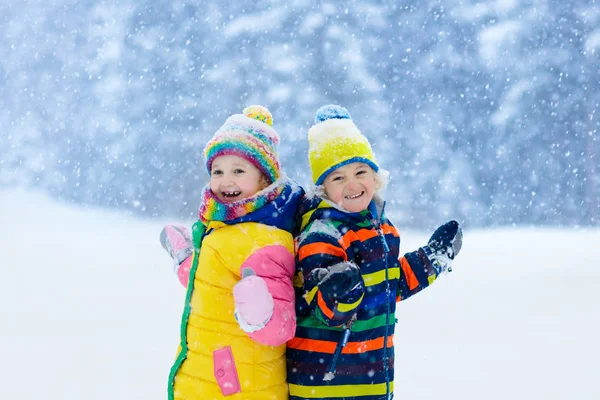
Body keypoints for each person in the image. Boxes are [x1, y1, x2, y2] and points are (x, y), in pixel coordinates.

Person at [286, 105, 463, 400]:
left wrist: (432, 258)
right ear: (323, 188)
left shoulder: (383, 230)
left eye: (360, 172)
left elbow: (391, 284)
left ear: (375, 177)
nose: (353, 184)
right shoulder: (322, 233)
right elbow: (326, 311)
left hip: (372, 380)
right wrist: (343, 291)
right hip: (325, 383)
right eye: (338, 178)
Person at [159, 105, 303, 400]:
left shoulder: (265, 240)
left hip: (240, 386)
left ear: (264, 179)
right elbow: (215, 283)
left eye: (239, 170)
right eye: (218, 171)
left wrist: (261, 314)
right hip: (204, 378)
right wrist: (188, 259)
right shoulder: (221, 227)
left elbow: (282, 327)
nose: (226, 180)